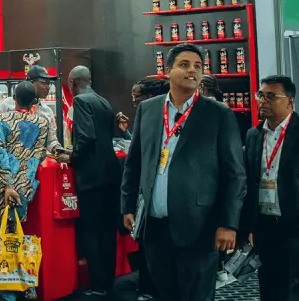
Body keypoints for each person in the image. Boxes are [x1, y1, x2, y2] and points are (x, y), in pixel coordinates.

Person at [120, 43, 245, 301]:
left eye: (198, 66)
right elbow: (134, 163)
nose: (192, 71)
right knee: (164, 293)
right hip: (154, 225)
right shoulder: (149, 109)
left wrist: (228, 223)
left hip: (200, 226)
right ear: (168, 70)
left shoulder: (218, 114)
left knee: (196, 295)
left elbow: (235, 174)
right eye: (184, 65)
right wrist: (128, 206)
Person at [237, 75, 299, 301]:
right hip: (266, 226)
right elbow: (248, 182)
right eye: (260, 95)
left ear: (290, 101)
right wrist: (247, 224)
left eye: (271, 96)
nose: (263, 101)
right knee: (271, 287)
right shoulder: (254, 135)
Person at [0, 81, 52, 301]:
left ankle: (6, 293)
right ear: (34, 101)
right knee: (16, 236)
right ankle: (25, 285)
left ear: (14, 99)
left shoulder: (3, 120)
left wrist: (8, 184)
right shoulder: (42, 122)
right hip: (23, 186)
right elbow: (39, 155)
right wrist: (20, 182)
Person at [67, 66, 121, 298]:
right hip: (111, 173)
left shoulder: (80, 101)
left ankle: (97, 283)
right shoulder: (103, 101)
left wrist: (72, 157)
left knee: (89, 230)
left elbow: (86, 137)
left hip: (90, 176)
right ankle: (108, 282)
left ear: (72, 82)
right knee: (107, 230)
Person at [122, 77, 167, 301]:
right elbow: (134, 160)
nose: (133, 101)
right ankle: (148, 288)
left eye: (136, 97)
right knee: (148, 245)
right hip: (147, 196)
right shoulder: (146, 115)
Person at [0, 65, 61, 151]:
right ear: (31, 82)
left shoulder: (47, 111)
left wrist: (58, 148)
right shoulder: (7, 105)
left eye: (49, 83)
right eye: (44, 83)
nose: (48, 87)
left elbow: (51, 140)